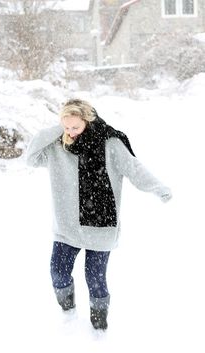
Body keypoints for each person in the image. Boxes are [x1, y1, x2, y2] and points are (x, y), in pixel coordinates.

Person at [26, 98, 172, 330]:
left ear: (88, 121)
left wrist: (159, 188)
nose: (71, 132)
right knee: (58, 273)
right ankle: (68, 310)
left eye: (76, 127)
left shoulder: (110, 143)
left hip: (100, 226)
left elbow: (134, 169)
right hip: (67, 225)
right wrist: (60, 126)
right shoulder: (57, 145)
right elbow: (30, 158)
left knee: (95, 280)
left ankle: (99, 326)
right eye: (67, 127)